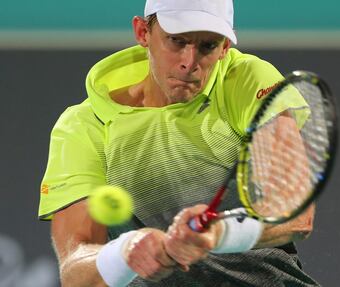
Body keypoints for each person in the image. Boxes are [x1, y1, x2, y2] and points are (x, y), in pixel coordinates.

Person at [38, 0, 320, 286]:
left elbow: (297, 214)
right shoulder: (84, 125)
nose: (190, 62)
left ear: (225, 48)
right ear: (142, 33)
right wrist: (125, 253)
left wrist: (218, 233)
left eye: (207, 46)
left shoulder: (245, 79)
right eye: (177, 41)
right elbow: (75, 274)